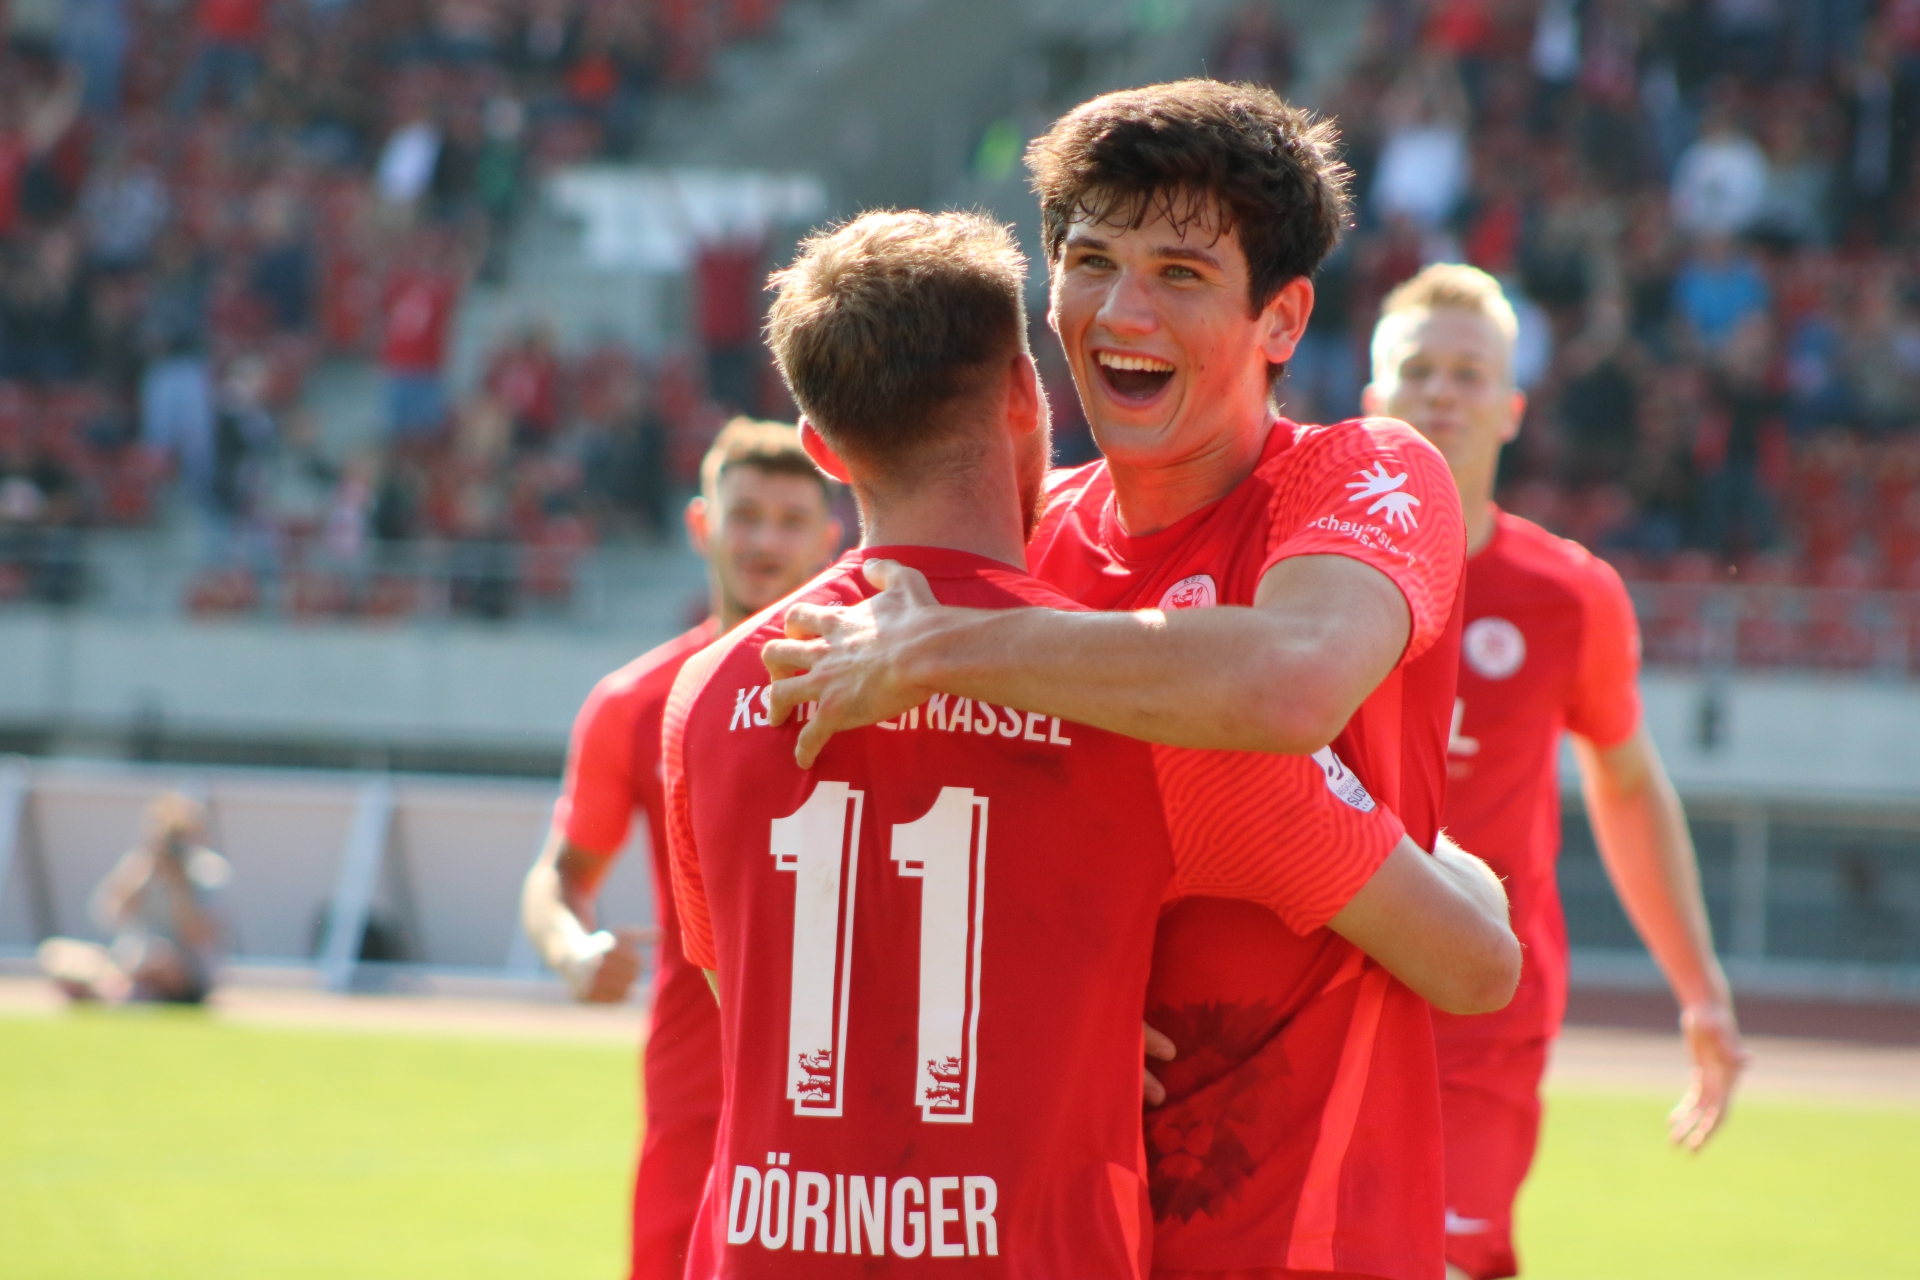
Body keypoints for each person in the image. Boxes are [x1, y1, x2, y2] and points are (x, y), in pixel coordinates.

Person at [666, 208, 1515, 1278]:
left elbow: (758, 998)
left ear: (823, 449)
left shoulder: (706, 696)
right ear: (1028, 396)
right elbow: (1476, 961)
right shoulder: (1146, 710)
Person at [1361, 263, 1748, 1280]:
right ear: (1372, 398)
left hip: (1481, 1008)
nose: (1442, 392)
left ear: (1512, 408)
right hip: (1309, 988)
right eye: (1418, 370)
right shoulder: (1296, 574)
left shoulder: (1568, 595)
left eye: (1469, 374)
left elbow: (1627, 784)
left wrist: (1700, 989)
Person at [520, 416, 843, 1280]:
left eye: (790, 520)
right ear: (702, 525)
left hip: (849, 1090)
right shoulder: (635, 703)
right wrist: (574, 951)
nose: (765, 541)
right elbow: (559, 876)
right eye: (746, 516)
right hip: (697, 1087)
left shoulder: (877, 688)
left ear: (831, 538)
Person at [37, 793, 230, 1004]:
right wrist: (145, 876)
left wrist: (178, 886)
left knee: (160, 958)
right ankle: (123, 992)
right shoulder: (139, 865)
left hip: (182, 969)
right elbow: (110, 916)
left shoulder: (207, 872)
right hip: (129, 961)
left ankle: (116, 993)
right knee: (56, 955)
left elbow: (199, 936)